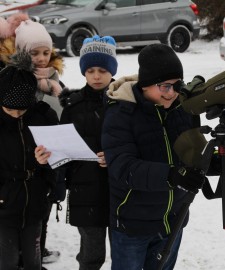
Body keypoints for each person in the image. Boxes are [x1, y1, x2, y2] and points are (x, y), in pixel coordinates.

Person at [101, 43, 206, 270]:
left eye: (177, 85)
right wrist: (172, 175)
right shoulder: (121, 112)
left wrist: (212, 161)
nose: (172, 93)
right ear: (145, 85)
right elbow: (123, 166)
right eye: (164, 86)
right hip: (132, 224)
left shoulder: (182, 109)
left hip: (172, 220)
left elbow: (193, 154)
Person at [55, 35, 116, 269]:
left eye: (102, 69)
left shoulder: (124, 101)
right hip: (85, 189)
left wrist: (115, 156)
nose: (97, 76)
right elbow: (62, 149)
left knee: (124, 253)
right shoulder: (73, 106)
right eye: (90, 70)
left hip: (119, 188)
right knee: (91, 255)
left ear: (112, 69)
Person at [0, 51, 58, 270]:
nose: (15, 114)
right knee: (8, 260)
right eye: (9, 109)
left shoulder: (43, 117)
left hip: (34, 201)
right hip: (4, 205)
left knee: (34, 259)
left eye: (21, 110)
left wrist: (44, 165)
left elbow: (59, 160)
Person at [14, 19, 64, 266]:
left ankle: (38, 248)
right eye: (34, 53)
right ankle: (19, 253)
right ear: (22, 52)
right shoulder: (15, 80)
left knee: (43, 206)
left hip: (50, 152)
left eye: (46, 52)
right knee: (22, 210)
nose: (42, 58)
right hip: (23, 153)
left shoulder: (54, 79)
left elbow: (63, 109)